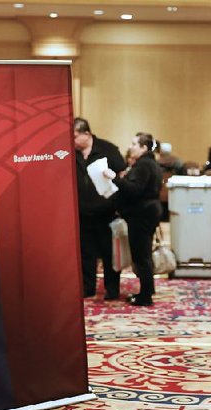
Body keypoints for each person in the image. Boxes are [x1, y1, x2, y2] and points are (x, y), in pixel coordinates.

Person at [73, 117, 127, 300]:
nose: (71, 141)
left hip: (107, 212)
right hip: (82, 213)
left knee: (109, 254)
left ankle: (112, 290)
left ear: (86, 134)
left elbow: (122, 174)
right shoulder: (70, 153)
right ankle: (88, 288)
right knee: (86, 254)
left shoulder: (107, 149)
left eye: (74, 137)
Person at [107, 132, 163, 306]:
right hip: (146, 212)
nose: (131, 147)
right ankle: (147, 290)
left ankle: (145, 296)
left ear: (144, 148)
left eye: (134, 144)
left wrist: (114, 178)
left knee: (141, 256)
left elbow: (134, 189)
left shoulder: (144, 164)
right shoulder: (149, 163)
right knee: (143, 255)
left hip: (142, 214)